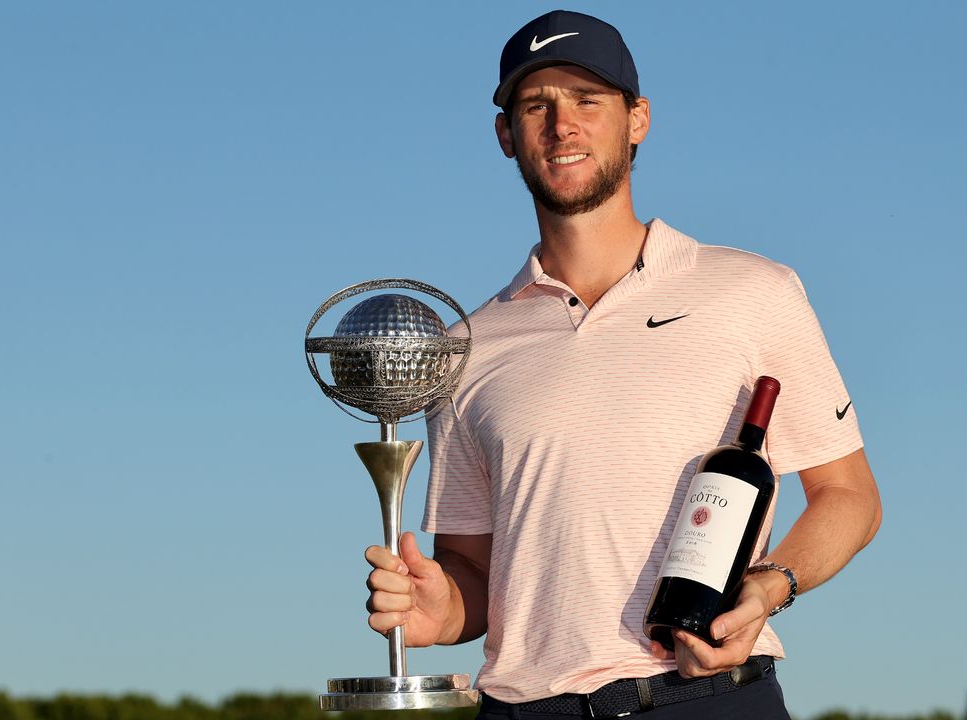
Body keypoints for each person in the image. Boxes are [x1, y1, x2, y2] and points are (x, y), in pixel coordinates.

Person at [364, 10, 881, 719]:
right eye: (535, 105)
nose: (561, 125)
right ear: (505, 135)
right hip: (525, 708)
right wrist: (440, 608)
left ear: (637, 119)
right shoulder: (466, 349)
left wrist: (767, 587)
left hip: (704, 699)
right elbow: (477, 574)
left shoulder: (754, 291)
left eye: (587, 100)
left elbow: (850, 497)